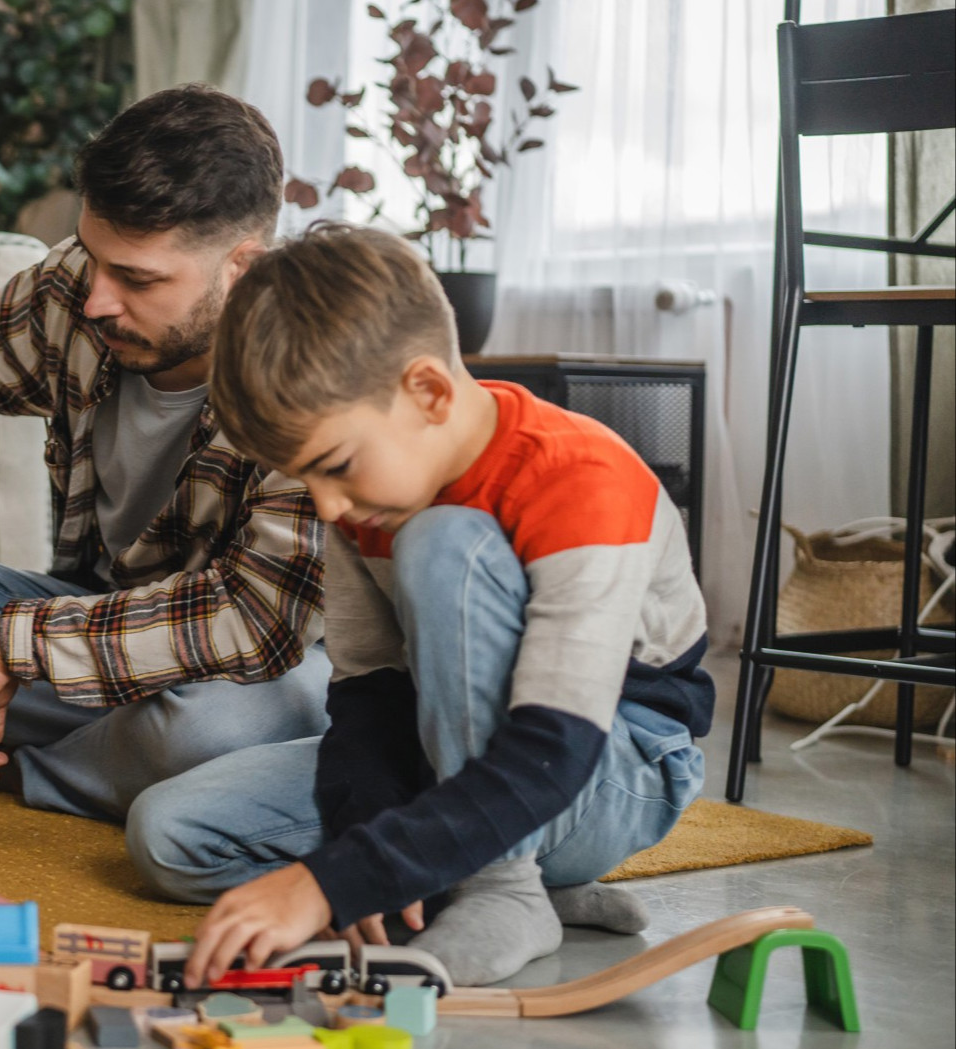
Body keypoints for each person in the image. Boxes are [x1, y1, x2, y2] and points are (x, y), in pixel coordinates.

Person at [151, 223, 711, 988]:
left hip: (608, 763)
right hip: (446, 750)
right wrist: (360, 852)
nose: (326, 503)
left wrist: (335, 879)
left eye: (334, 464)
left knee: (444, 542)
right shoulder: (366, 493)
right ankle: (497, 880)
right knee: (173, 836)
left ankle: (502, 886)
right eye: (307, 477)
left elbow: (555, 745)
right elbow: (370, 696)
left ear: (429, 392)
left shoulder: (583, 479)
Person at [0, 84, 330, 827]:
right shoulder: (75, 288)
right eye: (94, 258)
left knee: (216, 729)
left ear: (242, 269)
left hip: (253, 664)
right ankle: (112, 756)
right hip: (98, 618)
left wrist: (20, 643)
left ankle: (22, 767)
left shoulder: (312, 374)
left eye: (138, 278)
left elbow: (259, 623)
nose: (96, 300)